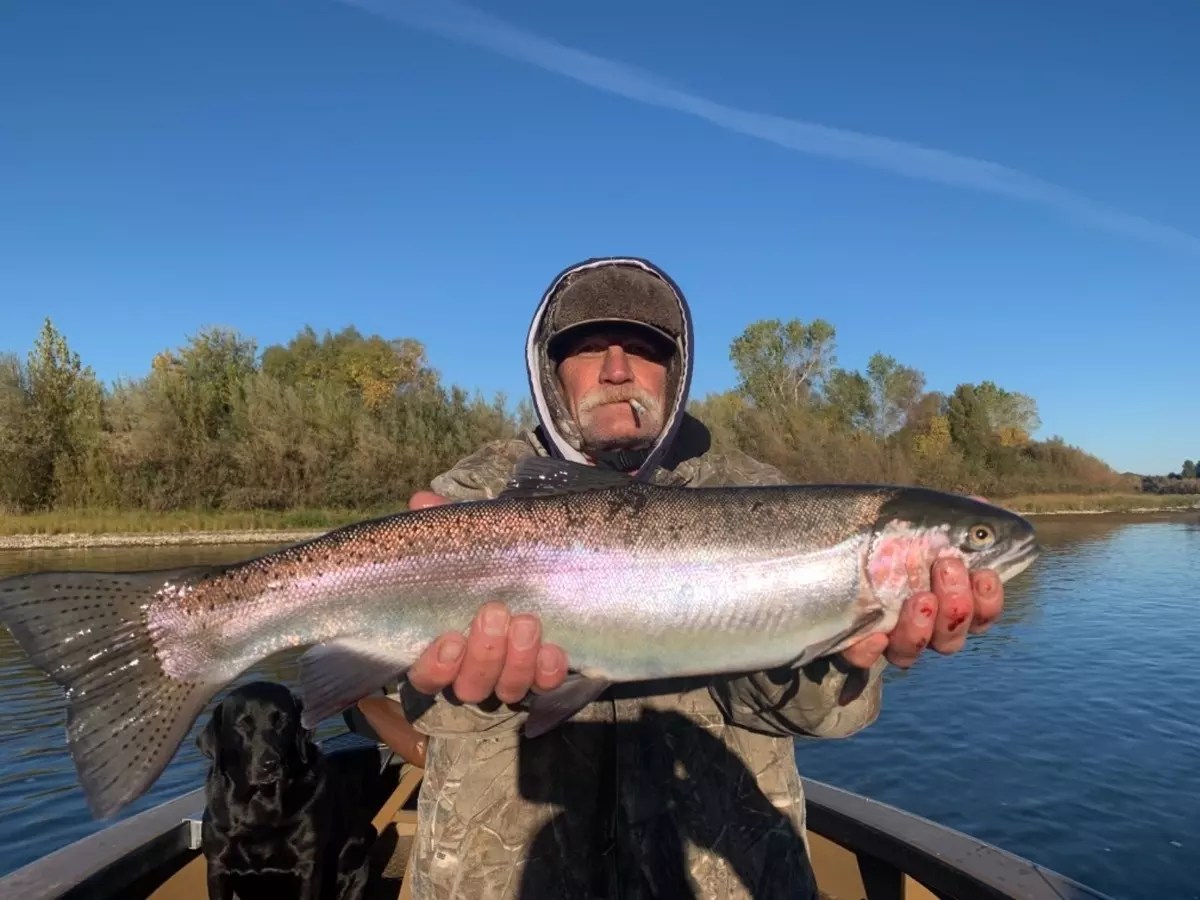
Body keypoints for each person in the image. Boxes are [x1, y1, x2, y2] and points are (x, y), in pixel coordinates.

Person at [356, 257, 1005, 899]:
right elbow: (416, 707)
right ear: (551, 371)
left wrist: (840, 660)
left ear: (676, 370)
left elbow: (819, 717)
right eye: (588, 348)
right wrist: (476, 693)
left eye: (643, 348)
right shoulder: (474, 497)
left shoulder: (762, 497)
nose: (616, 370)